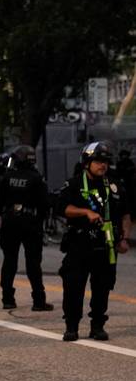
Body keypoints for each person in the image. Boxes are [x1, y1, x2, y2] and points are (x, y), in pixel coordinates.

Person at [58, 142, 131, 342]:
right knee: (73, 287)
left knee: (102, 288)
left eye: (105, 161)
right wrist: (85, 212)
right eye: (98, 161)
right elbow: (62, 207)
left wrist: (124, 238)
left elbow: (126, 214)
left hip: (106, 245)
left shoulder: (115, 186)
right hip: (79, 244)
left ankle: (97, 326)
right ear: (86, 163)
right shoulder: (74, 184)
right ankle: (71, 326)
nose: (103, 165)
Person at [0, 145, 52, 311]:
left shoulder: (7, 177)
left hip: (10, 222)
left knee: (9, 261)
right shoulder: (37, 178)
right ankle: (38, 300)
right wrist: (39, 222)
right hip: (30, 222)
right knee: (33, 263)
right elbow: (45, 205)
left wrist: (4, 214)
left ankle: (7, 298)